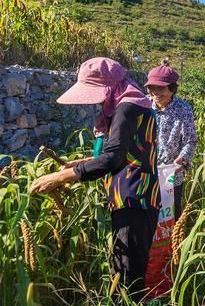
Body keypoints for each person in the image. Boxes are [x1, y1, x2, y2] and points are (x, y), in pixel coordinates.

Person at [29, 58, 159, 302]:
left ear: (110, 87)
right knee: (126, 272)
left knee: (126, 281)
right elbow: (123, 151)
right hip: (134, 200)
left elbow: (112, 159)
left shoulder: (127, 108)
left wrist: (61, 177)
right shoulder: (133, 104)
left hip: (133, 202)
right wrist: (79, 164)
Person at [145, 59, 197, 220]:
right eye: (151, 87)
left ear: (172, 89)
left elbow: (190, 141)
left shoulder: (183, 110)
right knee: (147, 216)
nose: (155, 92)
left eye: (160, 88)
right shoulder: (143, 106)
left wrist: (182, 160)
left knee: (171, 216)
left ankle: (175, 245)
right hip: (145, 173)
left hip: (171, 175)